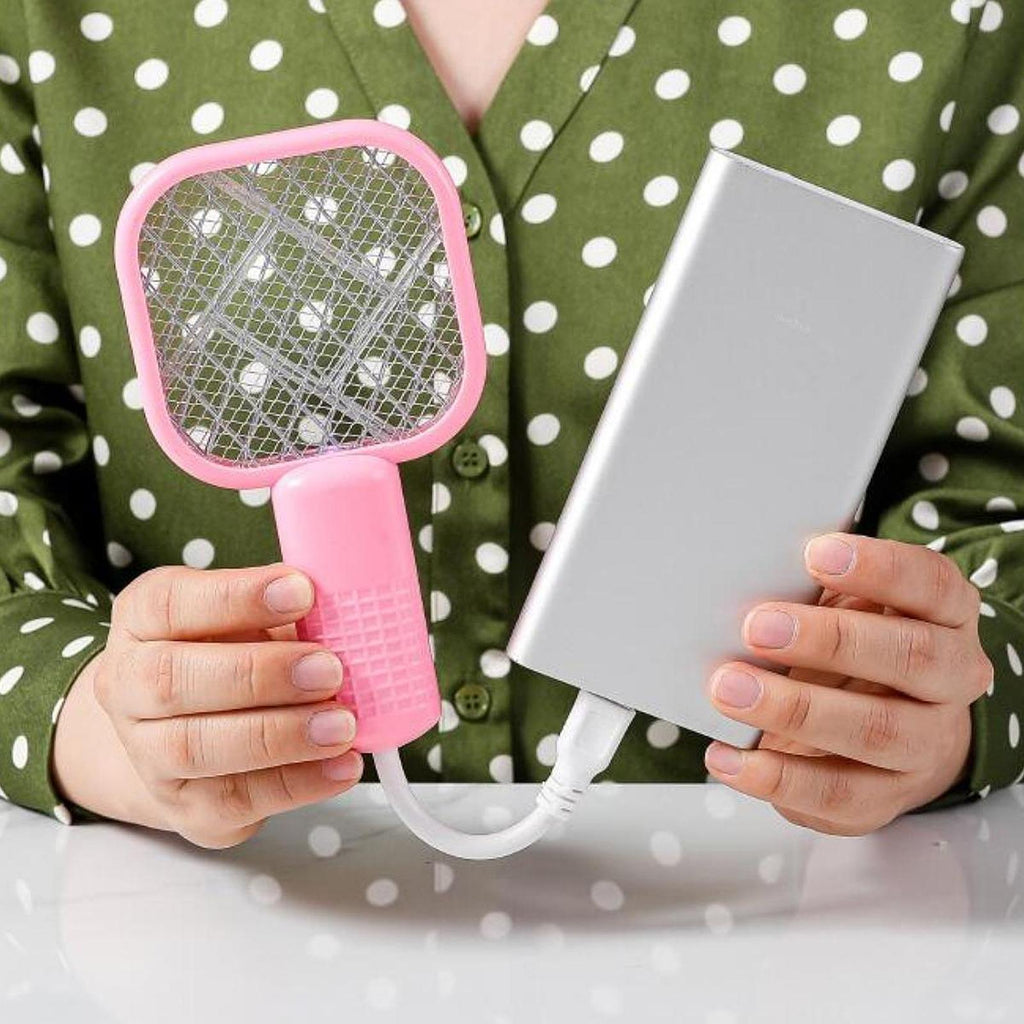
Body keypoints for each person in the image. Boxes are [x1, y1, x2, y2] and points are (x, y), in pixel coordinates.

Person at [0, 0, 1020, 849]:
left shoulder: (953, 20)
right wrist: (99, 723)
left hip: (793, 933)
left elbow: (998, 522)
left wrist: (949, 715)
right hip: (187, 941)